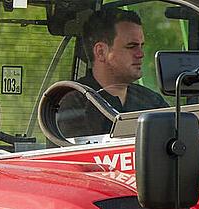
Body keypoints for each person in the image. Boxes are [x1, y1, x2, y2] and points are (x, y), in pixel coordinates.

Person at [49, 9, 171, 140]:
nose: (141, 54)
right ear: (101, 52)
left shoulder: (152, 102)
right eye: (131, 46)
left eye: (141, 46)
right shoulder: (72, 102)